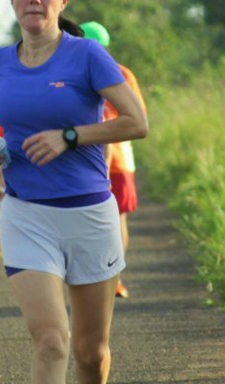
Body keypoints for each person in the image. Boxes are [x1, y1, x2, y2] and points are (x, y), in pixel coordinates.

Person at [0, 0, 148, 384]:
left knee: (91, 354)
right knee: (51, 340)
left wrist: (69, 136)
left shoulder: (87, 55)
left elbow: (136, 122)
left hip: (89, 215)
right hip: (26, 214)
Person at [81, 21, 148, 299]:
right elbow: (138, 113)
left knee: (103, 220)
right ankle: (112, 280)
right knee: (115, 218)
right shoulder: (123, 73)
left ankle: (107, 278)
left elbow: (137, 118)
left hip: (107, 158)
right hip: (109, 158)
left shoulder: (80, 70)